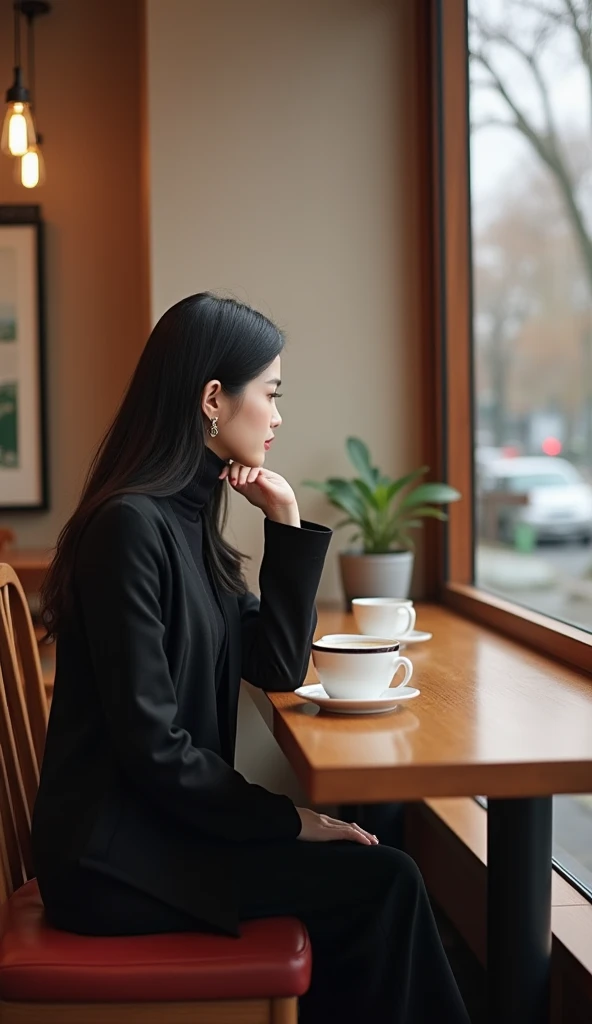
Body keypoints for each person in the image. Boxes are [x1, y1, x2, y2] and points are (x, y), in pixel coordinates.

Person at [32, 293, 470, 1024]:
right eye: (269, 393)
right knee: (384, 881)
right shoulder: (130, 528)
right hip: (113, 857)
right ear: (213, 399)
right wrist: (284, 819)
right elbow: (152, 747)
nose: (276, 416)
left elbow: (275, 664)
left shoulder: (185, 517)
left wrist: (288, 523)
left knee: (375, 877)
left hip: (156, 829)